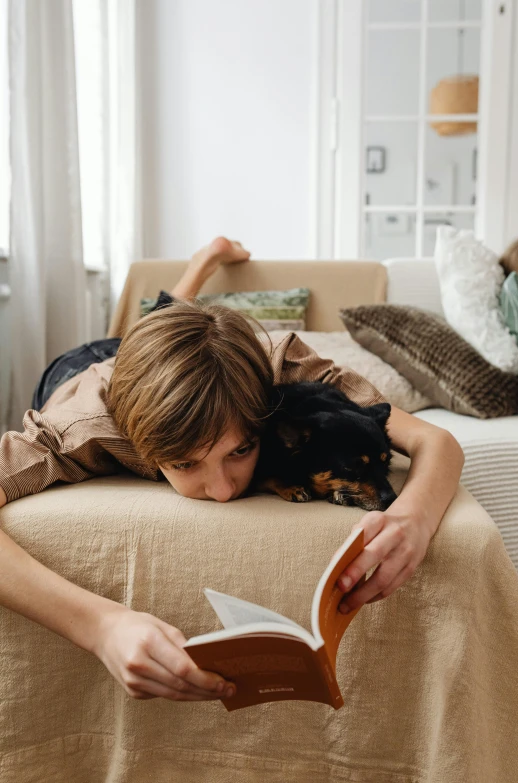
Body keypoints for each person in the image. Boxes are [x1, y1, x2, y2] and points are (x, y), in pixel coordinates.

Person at [0, 236, 464, 706]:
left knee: (171, 328)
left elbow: (435, 440)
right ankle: (201, 264)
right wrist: (100, 627)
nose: (223, 492)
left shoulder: (282, 368)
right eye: (184, 464)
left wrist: (415, 518)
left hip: (187, 356)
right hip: (78, 369)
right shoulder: (79, 427)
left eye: (241, 451)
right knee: (134, 337)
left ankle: (191, 286)